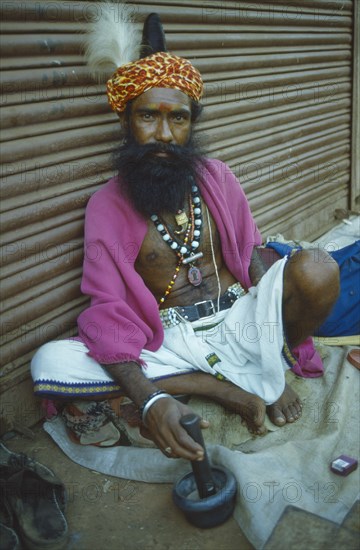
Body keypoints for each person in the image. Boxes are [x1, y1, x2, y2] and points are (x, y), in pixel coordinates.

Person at [31, 9, 340, 462]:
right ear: (125, 123)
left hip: (241, 320)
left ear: (191, 123)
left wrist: (274, 318)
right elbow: (108, 306)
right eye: (148, 118)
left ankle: (266, 363)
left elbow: (252, 253)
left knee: (318, 268)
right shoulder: (106, 205)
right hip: (169, 342)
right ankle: (216, 387)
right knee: (50, 363)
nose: (164, 135)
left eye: (177, 119)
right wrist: (150, 400)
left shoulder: (217, 176)